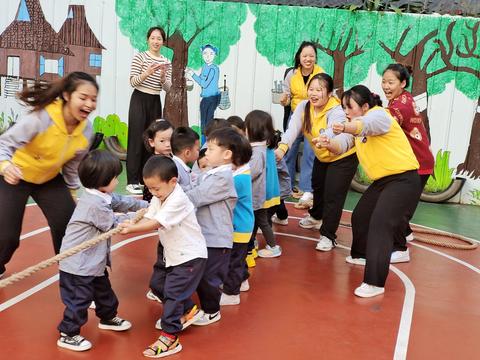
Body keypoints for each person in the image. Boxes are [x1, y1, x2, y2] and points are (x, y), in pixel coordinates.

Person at [315, 85, 420, 298]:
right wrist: (327, 143)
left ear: (364, 106)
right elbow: (341, 146)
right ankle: (361, 255)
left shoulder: (380, 116)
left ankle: (374, 282)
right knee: (361, 216)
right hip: (383, 181)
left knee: (381, 225)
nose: (345, 111)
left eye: (349, 107)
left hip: (403, 179)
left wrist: (344, 127)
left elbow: (365, 125)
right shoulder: (355, 127)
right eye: (343, 107)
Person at [0, 71, 97, 279]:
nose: (89, 104)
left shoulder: (86, 130)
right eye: (83, 97)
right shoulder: (40, 119)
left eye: (93, 99)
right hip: (16, 175)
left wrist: (71, 191)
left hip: (49, 179)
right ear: (67, 96)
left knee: (69, 226)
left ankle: (74, 275)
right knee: (7, 237)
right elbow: (4, 144)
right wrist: (6, 166)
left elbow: (72, 164)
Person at [57, 150, 148, 352]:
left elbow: (123, 201)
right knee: (78, 301)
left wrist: (147, 205)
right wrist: (144, 217)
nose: (117, 180)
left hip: (93, 263)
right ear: (102, 180)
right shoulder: (92, 204)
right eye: (115, 177)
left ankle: (107, 317)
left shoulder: (103, 195)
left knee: (104, 294)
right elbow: (114, 223)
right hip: (77, 265)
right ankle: (68, 334)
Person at [120, 156, 207, 358]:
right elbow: (150, 216)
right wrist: (128, 222)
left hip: (190, 256)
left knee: (173, 293)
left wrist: (132, 229)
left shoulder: (178, 199)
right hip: (173, 255)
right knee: (158, 285)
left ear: (173, 182)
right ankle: (189, 310)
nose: (153, 193)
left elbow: (155, 223)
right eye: (149, 189)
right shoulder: (161, 197)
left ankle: (170, 337)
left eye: (156, 189)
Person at [276, 73, 357, 251]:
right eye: (311, 89)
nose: (313, 93)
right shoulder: (304, 106)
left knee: (333, 195)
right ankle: (316, 217)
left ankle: (328, 236)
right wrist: (282, 149)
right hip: (322, 155)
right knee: (317, 186)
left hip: (343, 157)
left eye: (319, 90)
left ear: (329, 93)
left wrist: (323, 139)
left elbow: (333, 131)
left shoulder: (336, 110)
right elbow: (293, 129)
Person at [185, 128, 238, 326]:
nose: (205, 151)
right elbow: (193, 186)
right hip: (205, 236)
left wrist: (172, 198)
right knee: (199, 275)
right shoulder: (210, 174)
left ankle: (212, 311)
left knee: (209, 277)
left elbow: (197, 196)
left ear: (226, 155)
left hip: (217, 239)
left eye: (211, 148)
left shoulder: (222, 179)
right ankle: (201, 307)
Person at [382, 63, 434, 262]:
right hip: (417, 160)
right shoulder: (404, 97)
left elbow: (382, 123)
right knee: (403, 203)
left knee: (399, 208)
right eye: (384, 82)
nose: (386, 86)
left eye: (391, 82)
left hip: (417, 164)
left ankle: (400, 248)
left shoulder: (399, 107)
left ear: (403, 83)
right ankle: (406, 232)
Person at [126, 26, 172, 195]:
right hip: (139, 98)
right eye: (153, 38)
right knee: (136, 138)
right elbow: (133, 81)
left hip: (155, 100)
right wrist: (148, 72)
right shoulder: (140, 57)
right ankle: (132, 180)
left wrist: (161, 77)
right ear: (148, 39)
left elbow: (168, 88)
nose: (155, 41)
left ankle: (145, 177)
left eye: (159, 39)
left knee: (151, 140)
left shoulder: (166, 61)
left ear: (163, 42)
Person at [280, 41, 325, 207]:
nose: (308, 59)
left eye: (312, 56)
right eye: (305, 55)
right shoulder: (291, 74)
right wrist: (284, 100)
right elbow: (286, 96)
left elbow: (327, 96)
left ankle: (307, 190)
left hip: (315, 116)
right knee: (289, 150)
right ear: (299, 57)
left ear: (315, 58)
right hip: (296, 115)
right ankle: (287, 185)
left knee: (309, 152)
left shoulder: (321, 75)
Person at [218, 129, 254, 306]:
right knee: (238, 258)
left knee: (233, 261)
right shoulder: (241, 174)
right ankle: (243, 279)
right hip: (242, 224)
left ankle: (232, 293)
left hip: (239, 226)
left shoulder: (237, 179)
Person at [245, 110, 281, 259]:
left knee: (261, 221)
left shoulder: (257, 151)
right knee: (258, 220)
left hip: (257, 194)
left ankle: (273, 247)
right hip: (262, 193)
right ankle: (252, 244)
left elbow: (252, 172)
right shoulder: (265, 148)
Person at [186, 44, 221, 142]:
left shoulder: (214, 69)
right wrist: (191, 73)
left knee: (208, 122)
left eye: (211, 54)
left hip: (212, 98)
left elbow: (204, 83)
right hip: (205, 98)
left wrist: (192, 74)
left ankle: (207, 142)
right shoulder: (205, 66)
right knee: (203, 122)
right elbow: (201, 78)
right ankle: (203, 142)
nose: (208, 56)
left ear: (215, 55)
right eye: (205, 53)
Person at [142, 119, 174, 202]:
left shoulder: (172, 157)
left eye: (170, 140)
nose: (168, 144)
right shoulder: (154, 162)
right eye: (162, 141)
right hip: (154, 200)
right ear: (152, 142)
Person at [171, 126, 200, 190]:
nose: (199, 153)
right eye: (198, 150)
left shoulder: (182, 167)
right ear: (187, 153)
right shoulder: (175, 169)